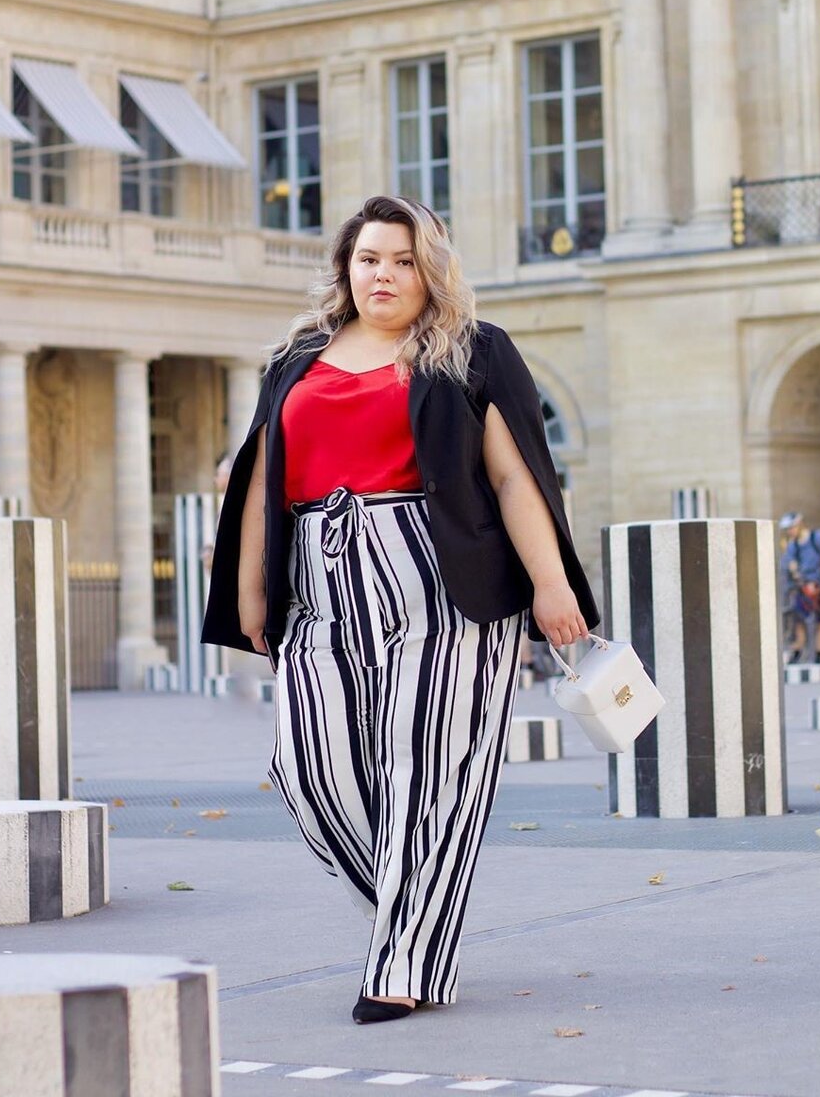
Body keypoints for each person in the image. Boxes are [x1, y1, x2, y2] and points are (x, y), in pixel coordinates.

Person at [201, 195, 599, 1024]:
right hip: (319, 578)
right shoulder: (297, 357)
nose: (383, 274)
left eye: (404, 260)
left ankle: (403, 962)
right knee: (311, 773)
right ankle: (414, 917)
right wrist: (248, 586)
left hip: (443, 581)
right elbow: (260, 477)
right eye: (369, 258)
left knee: (428, 776)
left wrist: (552, 582)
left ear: (431, 270)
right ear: (346, 268)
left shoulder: (473, 350)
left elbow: (514, 475)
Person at [779, 511, 820, 664]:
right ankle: (797, 650)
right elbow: (791, 564)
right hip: (805, 585)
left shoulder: (816, 537)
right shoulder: (793, 546)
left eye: (791, 528)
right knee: (798, 617)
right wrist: (795, 573)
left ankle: (819, 654)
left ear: (799, 525)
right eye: (787, 529)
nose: (789, 532)